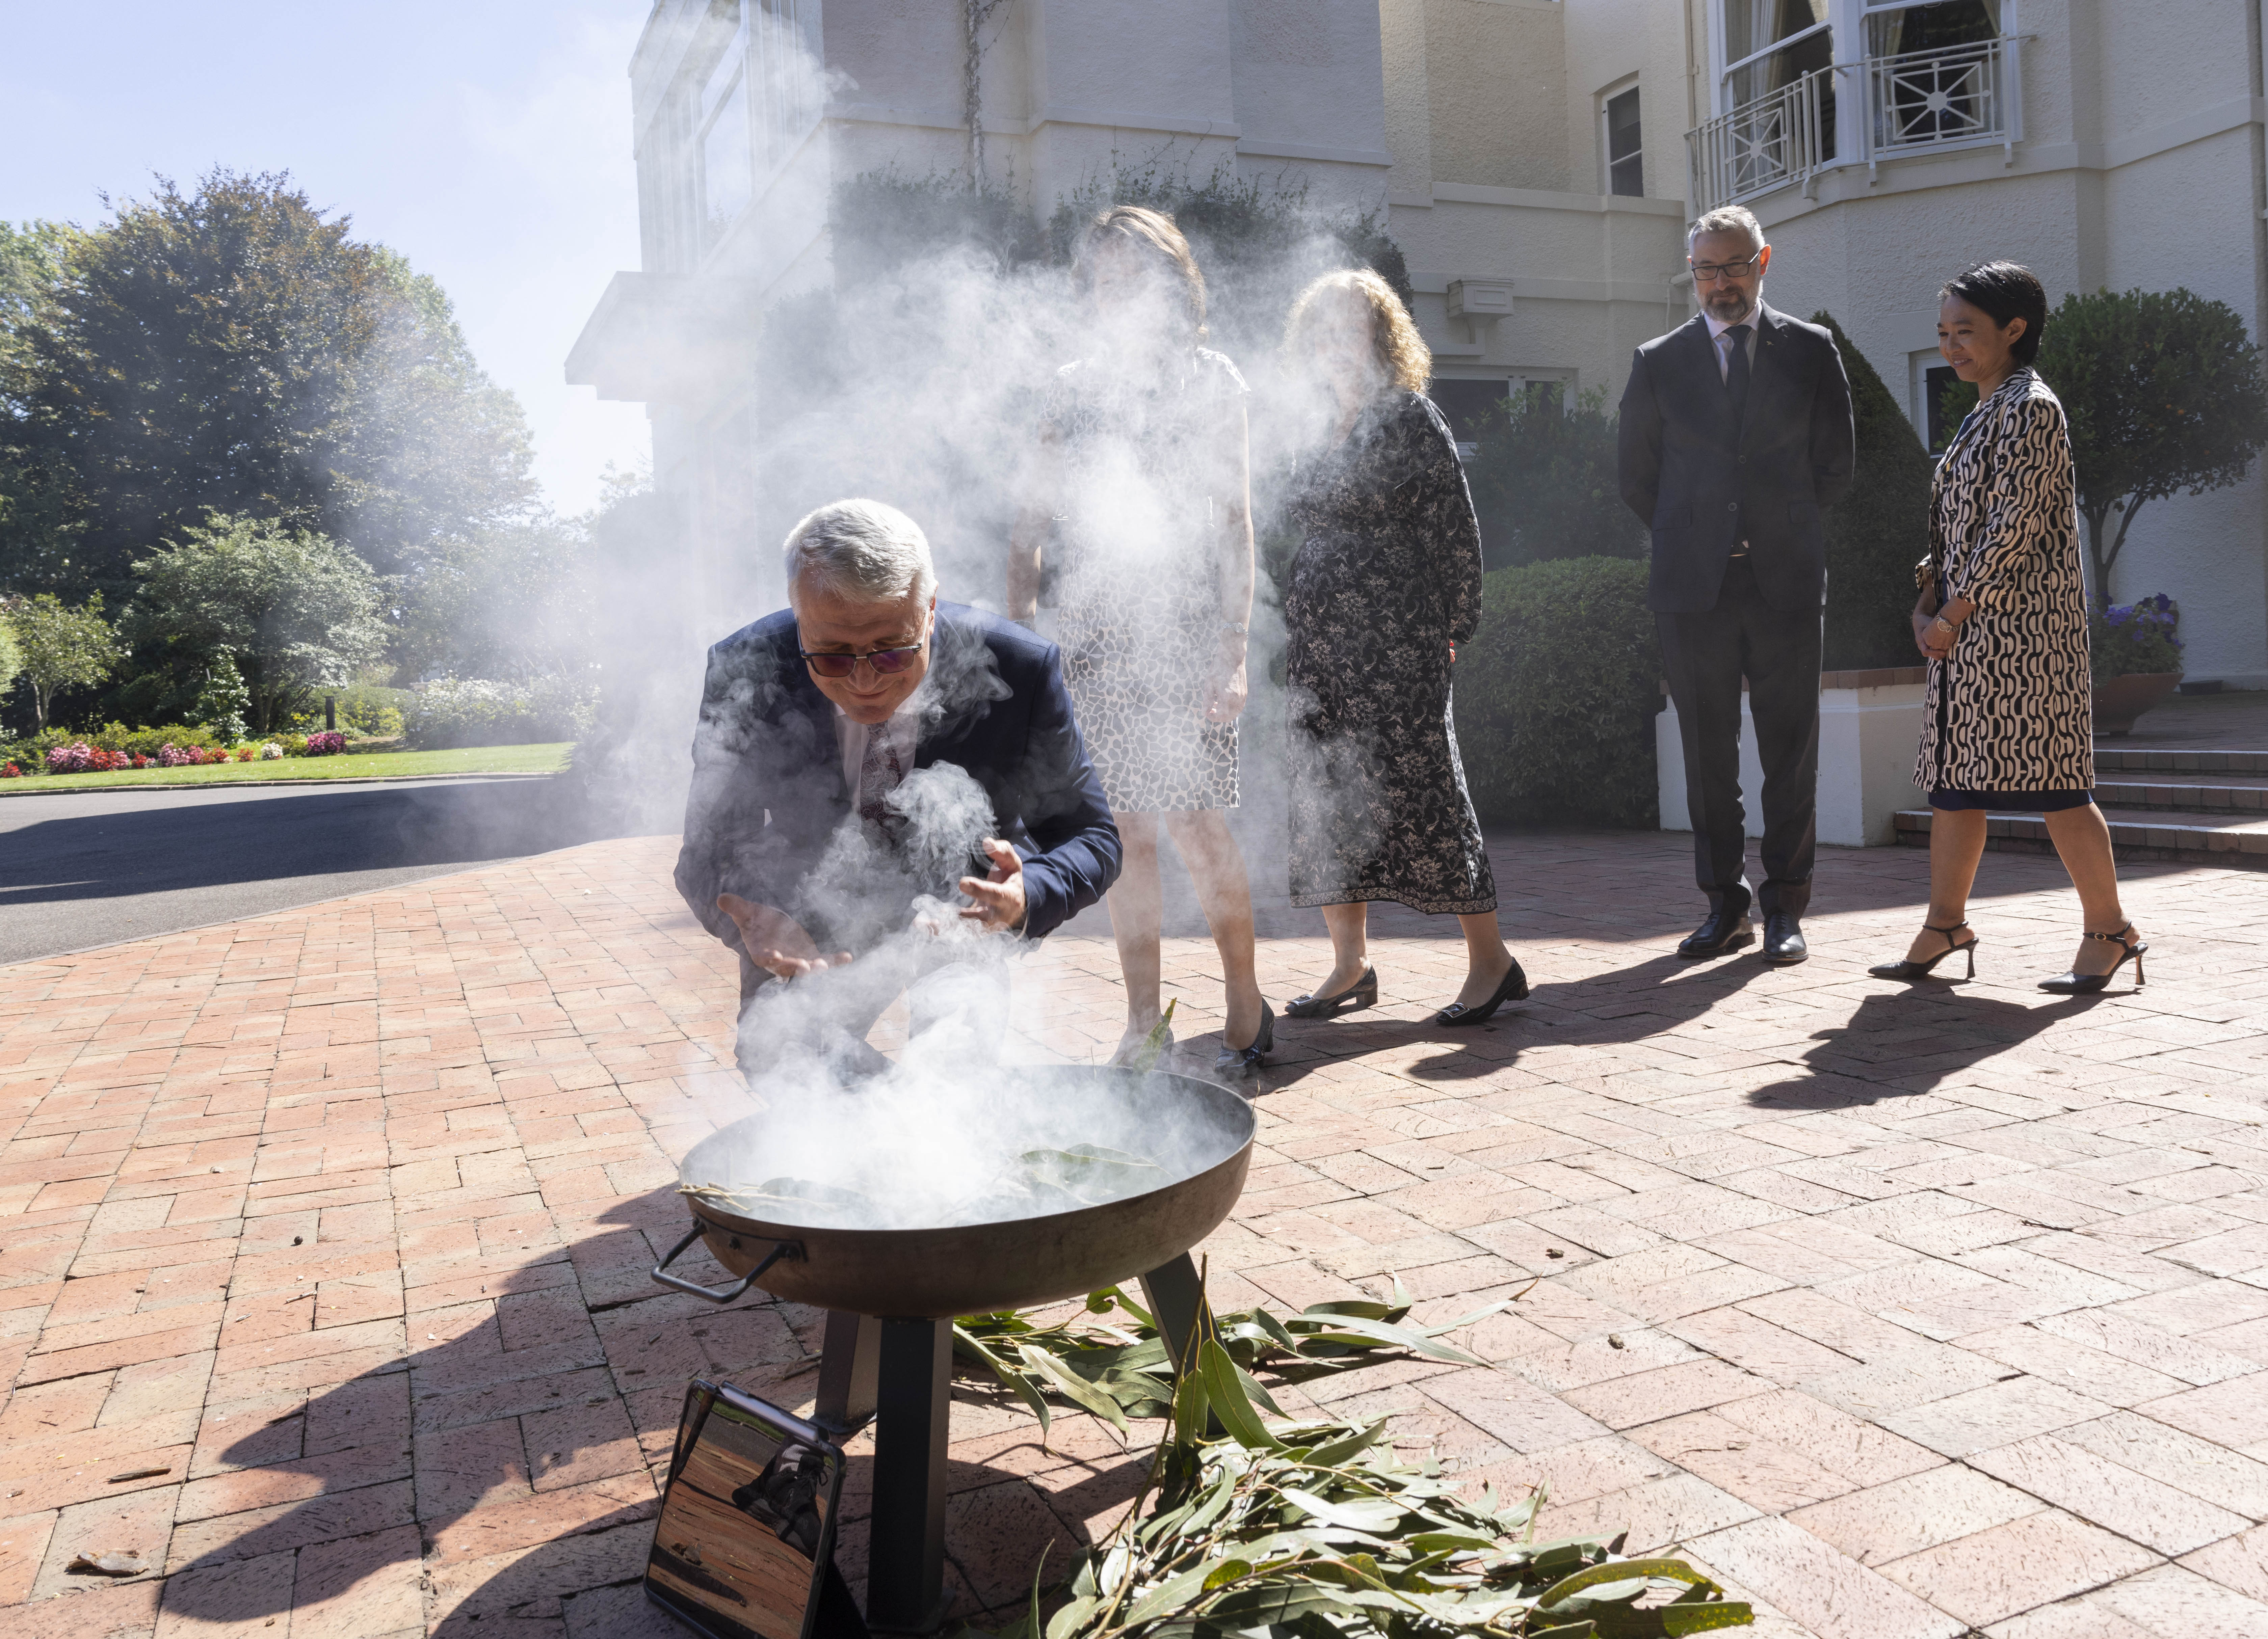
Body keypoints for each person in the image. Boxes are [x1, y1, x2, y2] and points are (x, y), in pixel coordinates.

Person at [676, 499, 1122, 1076]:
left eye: (891, 652)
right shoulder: (747, 668)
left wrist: (1026, 894)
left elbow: (1091, 834)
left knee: (952, 1075)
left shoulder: (1019, 667)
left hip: (961, 916)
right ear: (797, 616)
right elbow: (707, 851)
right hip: (810, 924)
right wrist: (758, 916)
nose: (863, 681)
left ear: (929, 610)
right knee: (780, 1055)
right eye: (832, 656)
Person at [1007, 205, 1272, 1080]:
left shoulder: (1213, 381)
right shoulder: (1070, 384)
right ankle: (1138, 1026)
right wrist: (1020, 637)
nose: (1120, 286)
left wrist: (1233, 651)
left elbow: (1235, 524)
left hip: (1187, 630)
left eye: (1136, 270)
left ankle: (1243, 998)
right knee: (1126, 835)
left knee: (1196, 827)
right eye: (1106, 273)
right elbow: (1029, 525)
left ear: (1172, 279)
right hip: (1094, 638)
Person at [1871, 262, 2145, 993]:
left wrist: (1952, 612)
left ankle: (2110, 930)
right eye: (1942, 333)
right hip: (1967, 640)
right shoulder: (1983, 410)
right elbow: (1963, 524)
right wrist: (1926, 595)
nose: (1950, 346)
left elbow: (2013, 526)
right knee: (1953, 789)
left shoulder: (2031, 406)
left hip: (2024, 641)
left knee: (2056, 785)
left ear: (2013, 330)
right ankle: (1944, 924)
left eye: (1965, 331)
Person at [1275, 268, 1526, 1026]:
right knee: (1326, 799)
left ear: (1381, 339)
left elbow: (1455, 529)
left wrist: (1456, 626)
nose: (1334, 346)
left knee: (1428, 793)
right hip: (1320, 647)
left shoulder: (1410, 417)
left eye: (1349, 330)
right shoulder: (1313, 424)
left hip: (1398, 645)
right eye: (1320, 332)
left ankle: (1492, 961)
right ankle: (1350, 964)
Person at [1617, 204, 1855, 965]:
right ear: (1691, 275)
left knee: (1791, 752)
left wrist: (1775, 525)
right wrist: (1700, 531)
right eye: (1705, 271)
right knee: (1706, 757)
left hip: (1785, 581)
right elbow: (1635, 475)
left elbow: (1836, 463)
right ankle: (1725, 904)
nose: (1719, 284)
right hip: (1693, 590)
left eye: (1732, 267)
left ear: (1763, 261)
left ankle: (1787, 906)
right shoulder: (1657, 361)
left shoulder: (1811, 350)